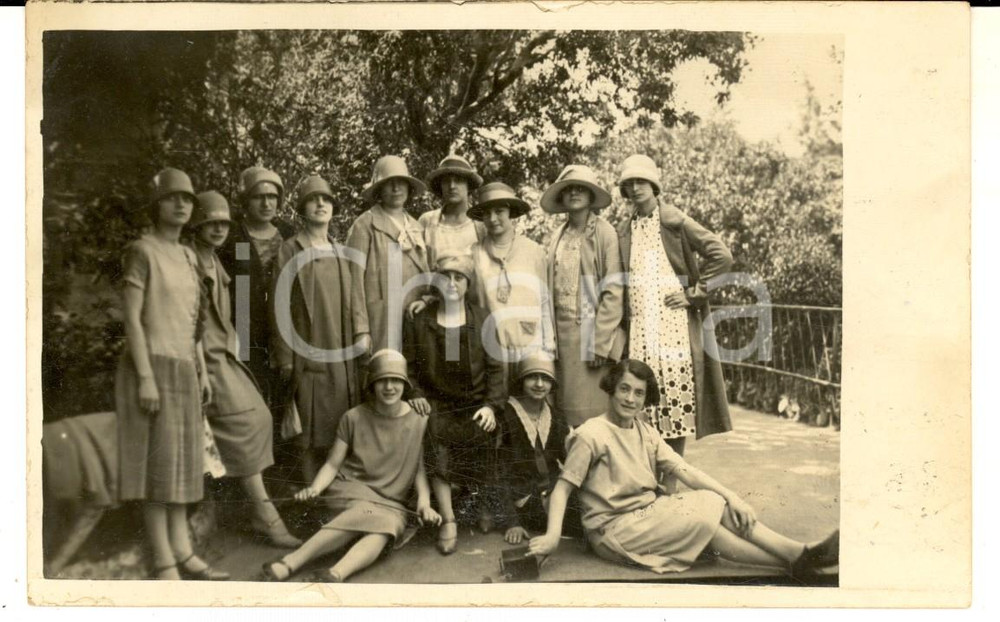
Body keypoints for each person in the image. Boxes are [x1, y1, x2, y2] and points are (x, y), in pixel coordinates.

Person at [527, 359, 839, 577]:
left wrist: (734, 497)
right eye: (624, 389)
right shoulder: (591, 434)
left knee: (714, 503)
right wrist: (553, 536)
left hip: (647, 516)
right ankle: (796, 559)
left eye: (638, 393)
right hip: (613, 531)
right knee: (705, 518)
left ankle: (798, 556)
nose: (630, 399)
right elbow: (563, 489)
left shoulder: (643, 430)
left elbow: (686, 471)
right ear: (611, 389)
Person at [115, 168, 228, 580]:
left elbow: (195, 321)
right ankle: (164, 559)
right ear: (156, 204)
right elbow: (131, 318)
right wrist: (145, 376)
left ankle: (184, 551)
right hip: (152, 368)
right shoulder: (142, 251)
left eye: (188, 199)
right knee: (158, 467)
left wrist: (201, 370)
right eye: (172, 198)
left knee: (183, 464)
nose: (181, 204)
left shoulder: (186, 255)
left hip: (183, 370)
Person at [260, 350, 441, 583]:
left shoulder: (419, 419)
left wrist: (424, 505)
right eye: (382, 380)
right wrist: (315, 488)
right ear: (372, 383)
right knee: (372, 515)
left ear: (405, 385)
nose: (389, 387)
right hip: (350, 489)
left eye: (396, 380)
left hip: (391, 503)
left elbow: (419, 471)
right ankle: (291, 562)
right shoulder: (353, 417)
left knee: (386, 526)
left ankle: (335, 574)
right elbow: (333, 464)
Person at [187, 190, 301, 548]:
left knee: (261, 418)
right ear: (196, 224)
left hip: (224, 352)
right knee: (246, 421)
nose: (218, 228)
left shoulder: (211, 260)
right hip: (202, 357)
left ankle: (254, 506)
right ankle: (264, 514)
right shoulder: (190, 260)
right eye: (210, 222)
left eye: (222, 222)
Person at [616, 154, 733, 462]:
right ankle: (649, 480)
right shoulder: (626, 229)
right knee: (642, 401)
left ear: (654, 185)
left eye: (642, 182)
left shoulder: (673, 220)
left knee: (672, 404)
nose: (636, 188)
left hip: (671, 326)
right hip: (641, 328)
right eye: (630, 184)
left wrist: (694, 294)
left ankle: (671, 482)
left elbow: (721, 255)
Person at [402, 253, 506, 554]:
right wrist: (417, 395)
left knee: (485, 430)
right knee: (434, 433)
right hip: (437, 401)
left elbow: (496, 367)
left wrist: (490, 405)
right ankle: (448, 518)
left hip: (474, 400)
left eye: (458, 278)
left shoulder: (483, 318)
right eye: (445, 277)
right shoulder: (421, 319)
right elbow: (409, 365)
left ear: (467, 283)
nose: (451, 283)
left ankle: (481, 502)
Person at [271, 175, 360, 482]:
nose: (320, 204)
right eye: (313, 199)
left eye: (326, 199)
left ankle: (337, 496)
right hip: (307, 350)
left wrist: (362, 335)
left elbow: (354, 299)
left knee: (340, 425)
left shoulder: (340, 250)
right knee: (309, 428)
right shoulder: (290, 249)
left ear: (333, 208)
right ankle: (311, 502)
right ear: (302, 209)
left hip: (341, 348)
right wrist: (285, 357)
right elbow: (279, 306)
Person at [541, 165, 625, 428]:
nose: (575, 193)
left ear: (591, 195)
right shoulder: (558, 235)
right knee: (563, 412)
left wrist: (600, 342)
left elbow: (613, 290)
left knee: (592, 414)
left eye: (581, 188)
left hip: (591, 336)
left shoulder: (604, 232)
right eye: (569, 189)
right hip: (561, 335)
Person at [216, 166, 295, 407]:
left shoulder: (287, 233)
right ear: (245, 200)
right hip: (244, 324)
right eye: (259, 197)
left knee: (287, 394)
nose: (266, 203)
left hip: (285, 325)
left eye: (272, 197)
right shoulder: (234, 236)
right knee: (251, 392)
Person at [468, 182, 555, 378]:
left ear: (510, 212)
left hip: (530, 347)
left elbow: (544, 302)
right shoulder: (474, 253)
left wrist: (548, 346)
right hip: (491, 351)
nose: (492, 218)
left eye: (499, 211)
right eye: (487, 213)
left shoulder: (533, 251)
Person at [345, 155, 431, 356]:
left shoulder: (417, 227)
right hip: (380, 320)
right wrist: (361, 330)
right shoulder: (365, 225)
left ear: (409, 187)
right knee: (383, 375)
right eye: (388, 183)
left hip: (415, 320)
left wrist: (427, 300)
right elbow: (353, 282)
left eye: (401, 182)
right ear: (378, 190)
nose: (396, 189)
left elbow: (429, 276)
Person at [497, 354, 579, 545]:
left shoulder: (556, 416)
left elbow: (568, 459)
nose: (540, 384)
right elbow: (496, 473)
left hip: (553, 493)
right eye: (532, 377)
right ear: (521, 380)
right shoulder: (505, 416)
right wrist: (512, 522)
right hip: (522, 500)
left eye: (546, 379)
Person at [419, 154, 487, 269]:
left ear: (468, 185)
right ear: (440, 186)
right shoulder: (427, 221)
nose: (452, 186)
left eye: (458, 180)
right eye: (446, 181)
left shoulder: (482, 224)